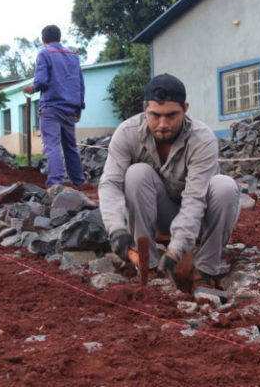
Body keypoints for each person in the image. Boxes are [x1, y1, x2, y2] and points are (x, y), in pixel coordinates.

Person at [98, 73, 241, 291]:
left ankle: (204, 271)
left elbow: (195, 199)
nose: (163, 124)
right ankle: (151, 268)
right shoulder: (127, 133)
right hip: (160, 216)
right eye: (155, 115)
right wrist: (116, 229)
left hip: (200, 220)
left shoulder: (202, 139)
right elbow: (110, 184)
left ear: (185, 108)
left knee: (225, 187)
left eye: (172, 115)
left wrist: (175, 251)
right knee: (136, 173)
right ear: (145, 109)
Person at [23, 25, 85, 187]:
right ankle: (79, 182)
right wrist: (79, 108)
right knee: (70, 146)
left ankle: (55, 183)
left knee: (52, 145)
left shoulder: (44, 53)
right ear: (59, 37)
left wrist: (33, 88)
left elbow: (42, 80)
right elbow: (80, 84)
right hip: (70, 109)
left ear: (43, 40)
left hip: (51, 108)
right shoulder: (73, 56)